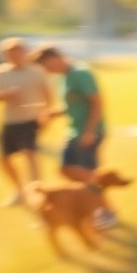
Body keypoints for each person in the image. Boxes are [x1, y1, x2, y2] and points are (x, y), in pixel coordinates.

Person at [31, 46, 120, 227]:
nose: (46, 71)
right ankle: (91, 208)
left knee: (90, 177)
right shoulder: (61, 77)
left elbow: (97, 103)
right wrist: (54, 113)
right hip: (74, 131)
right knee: (67, 170)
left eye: (46, 66)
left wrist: (90, 131)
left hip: (88, 132)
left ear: (55, 58)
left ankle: (106, 212)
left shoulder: (80, 73)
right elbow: (72, 105)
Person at [0, 38, 52, 208]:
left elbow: (49, 96)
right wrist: (4, 95)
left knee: (29, 154)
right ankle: (20, 191)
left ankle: (37, 191)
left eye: (19, 53)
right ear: (5, 56)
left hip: (30, 119)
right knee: (3, 159)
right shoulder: (0, 73)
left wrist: (46, 116)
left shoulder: (37, 72)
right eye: (11, 54)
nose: (16, 57)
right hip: (9, 120)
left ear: (25, 53)